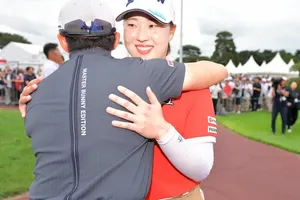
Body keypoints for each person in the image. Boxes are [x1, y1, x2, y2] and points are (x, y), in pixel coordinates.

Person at [21, 0, 228, 199]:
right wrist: (35, 99)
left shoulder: (194, 86)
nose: (141, 36)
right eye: (132, 25)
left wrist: (163, 131)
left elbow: (201, 168)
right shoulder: (107, 78)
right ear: (118, 35)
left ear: (171, 32)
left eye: (153, 25)